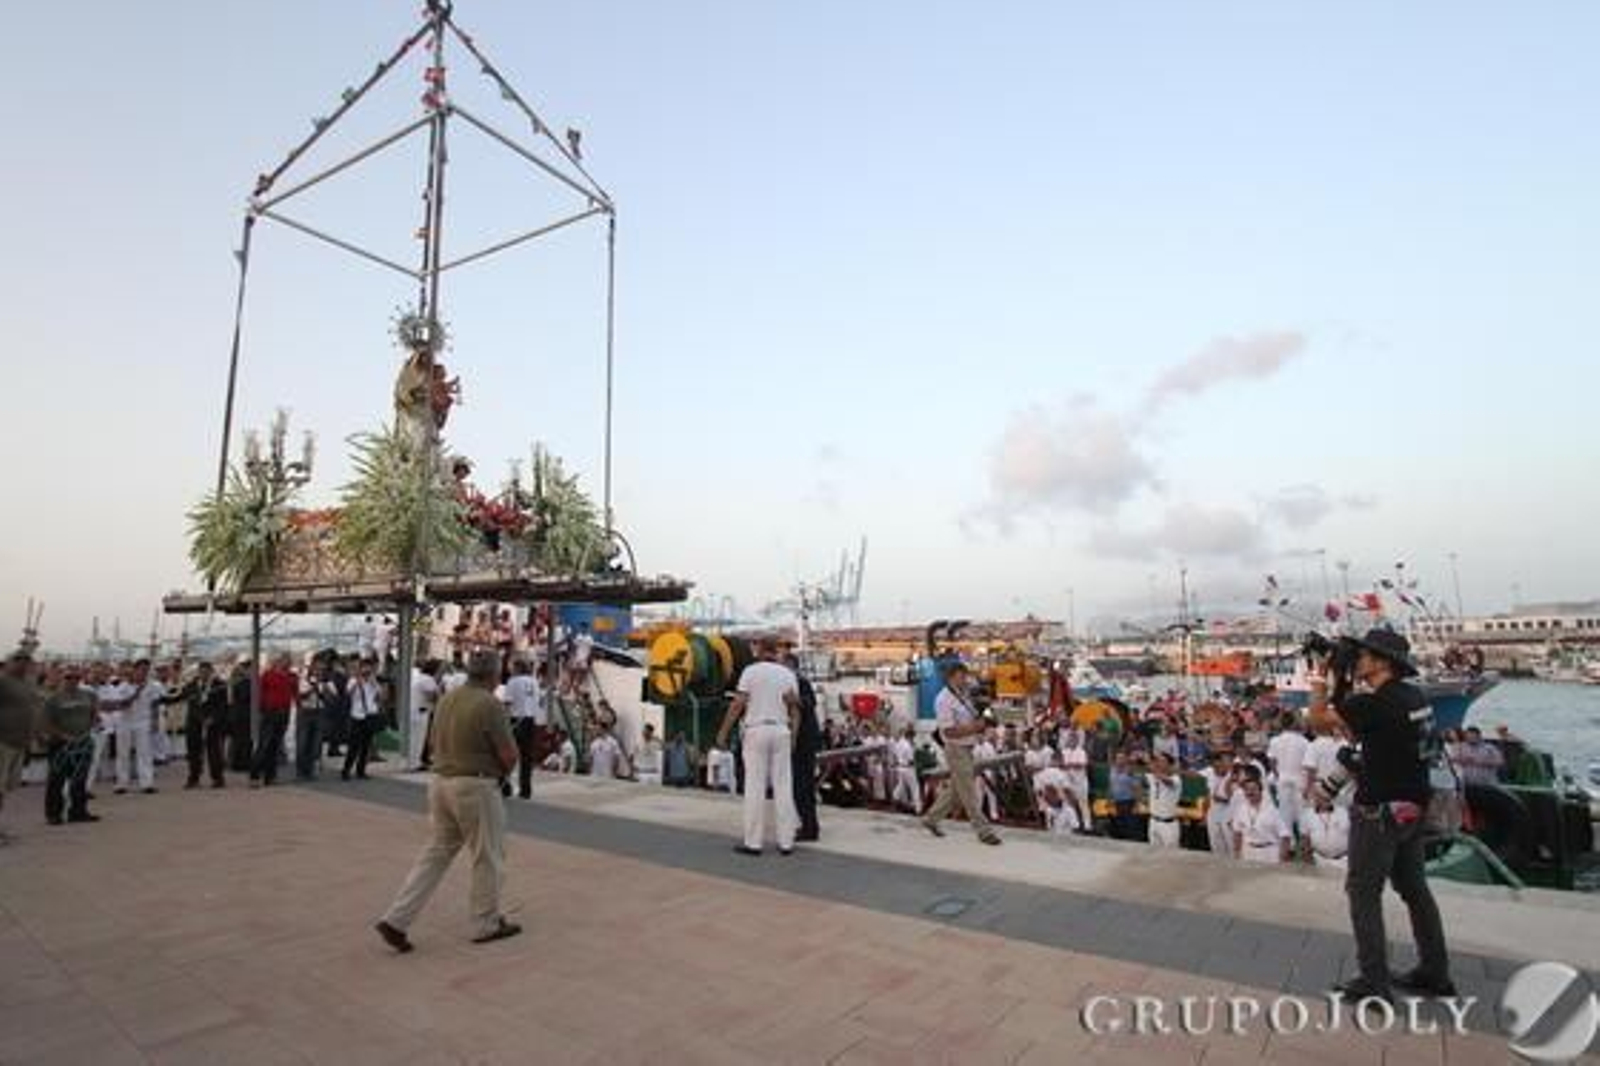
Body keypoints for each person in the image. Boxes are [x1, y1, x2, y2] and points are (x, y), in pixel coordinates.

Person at [1309, 627, 1454, 1002]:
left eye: (1364, 655)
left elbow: (1318, 720)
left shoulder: (1373, 704)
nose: (1358, 660)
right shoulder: (1414, 697)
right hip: (1414, 809)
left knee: (1363, 894)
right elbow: (1361, 727)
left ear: (1381, 662)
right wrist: (1343, 680)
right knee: (1415, 889)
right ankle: (1435, 971)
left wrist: (1320, 677)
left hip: (1378, 813)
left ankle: (1373, 980)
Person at [374, 651, 521, 952]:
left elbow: (430, 744)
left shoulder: (448, 699)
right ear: (495, 675)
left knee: (436, 854)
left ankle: (397, 918)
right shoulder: (489, 704)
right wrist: (502, 776)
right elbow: (509, 755)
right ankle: (486, 922)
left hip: (440, 782)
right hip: (476, 785)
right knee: (487, 856)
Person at [715, 639, 801, 856]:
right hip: (781, 730)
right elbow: (795, 709)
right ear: (776, 652)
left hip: (757, 730)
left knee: (755, 787)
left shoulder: (750, 672)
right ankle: (786, 842)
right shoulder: (787, 675)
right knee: (783, 787)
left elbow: (738, 704)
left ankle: (753, 842)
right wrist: (794, 738)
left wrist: (723, 731)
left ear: (760, 651)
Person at [920, 661, 1001, 846]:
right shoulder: (943, 700)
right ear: (950, 677)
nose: (965, 679)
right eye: (961, 675)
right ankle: (983, 831)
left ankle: (931, 819)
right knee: (969, 792)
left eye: (965, 675)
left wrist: (985, 718)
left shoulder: (963, 694)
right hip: (956, 749)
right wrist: (976, 727)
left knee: (957, 790)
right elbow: (948, 731)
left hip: (967, 747)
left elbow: (976, 713)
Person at [40, 665, 98, 825]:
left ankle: (78, 812)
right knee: (56, 780)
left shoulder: (88, 695)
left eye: (76, 678)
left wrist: (89, 729)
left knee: (80, 779)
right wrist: (63, 736)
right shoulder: (53, 698)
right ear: (62, 678)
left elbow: (94, 713)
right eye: (69, 677)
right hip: (61, 745)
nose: (73, 681)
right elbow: (46, 723)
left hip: (83, 742)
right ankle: (53, 814)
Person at [0, 654, 40, 841]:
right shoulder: (3, 682)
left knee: (5, 789)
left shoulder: (26, 683)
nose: (23, 664)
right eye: (18, 660)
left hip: (19, 743)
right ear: (9, 663)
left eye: (26, 661)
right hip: (3, 743)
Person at [785, 652, 822, 842]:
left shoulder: (801, 683)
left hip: (804, 741)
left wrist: (795, 700)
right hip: (801, 740)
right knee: (799, 786)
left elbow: (809, 703)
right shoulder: (794, 683)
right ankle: (807, 824)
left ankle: (809, 827)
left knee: (802, 786)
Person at [177, 661, 229, 788]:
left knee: (214, 751)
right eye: (201, 671)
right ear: (198, 672)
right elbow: (182, 698)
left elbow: (223, 706)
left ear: (211, 671)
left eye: (207, 671)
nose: (204, 674)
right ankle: (193, 778)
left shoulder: (220, 685)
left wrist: (214, 718)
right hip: (194, 722)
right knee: (193, 751)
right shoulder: (191, 685)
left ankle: (217, 778)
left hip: (213, 723)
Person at [250, 653, 296, 788]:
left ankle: (270, 776)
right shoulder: (268, 675)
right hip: (270, 712)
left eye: (289, 662)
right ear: (278, 661)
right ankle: (255, 775)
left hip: (284, 712)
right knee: (264, 745)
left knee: (275, 746)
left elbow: (294, 693)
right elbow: (260, 693)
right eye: (285, 661)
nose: (287, 664)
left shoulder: (290, 677)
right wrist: (262, 709)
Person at [1230, 766, 1290, 864]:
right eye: (1247, 789)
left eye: (1254, 789)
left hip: (1269, 853)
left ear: (1260, 791)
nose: (1250, 792)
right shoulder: (1241, 809)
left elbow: (1285, 836)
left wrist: (1282, 858)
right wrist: (1237, 852)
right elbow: (1237, 832)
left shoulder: (1272, 810)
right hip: (1248, 852)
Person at [501, 660, 541, 798]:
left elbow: (507, 703)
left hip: (516, 719)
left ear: (517, 668)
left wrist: (503, 722)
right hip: (530, 720)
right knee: (526, 758)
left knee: (508, 753)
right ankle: (526, 789)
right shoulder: (534, 682)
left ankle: (505, 786)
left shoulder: (513, 681)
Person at [343, 659, 383, 781]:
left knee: (366, 746)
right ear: (360, 669)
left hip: (370, 716)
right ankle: (346, 770)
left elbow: (380, 696)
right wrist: (357, 682)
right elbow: (348, 694)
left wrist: (373, 682)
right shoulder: (353, 681)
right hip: (357, 716)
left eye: (369, 668)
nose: (367, 670)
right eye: (364, 668)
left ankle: (361, 771)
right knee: (354, 746)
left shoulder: (373, 681)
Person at [1201, 750, 1238, 858]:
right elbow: (1208, 795)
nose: (1218, 769)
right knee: (1215, 847)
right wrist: (1204, 814)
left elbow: (1236, 800)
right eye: (1215, 767)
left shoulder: (1233, 776)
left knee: (1231, 847)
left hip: (1228, 816)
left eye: (1221, 765)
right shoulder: (1210, 774)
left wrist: (1223, 799)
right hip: (1212, 815)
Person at [1300, 793, 1351, 870]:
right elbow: (1305, 839)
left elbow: (1353, 836)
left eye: (1326, 798)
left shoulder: (1344, 813)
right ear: (1315, 798)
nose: (1324, 800)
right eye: (1320, 797)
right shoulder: (1307, 815)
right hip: (1318, 860)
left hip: (1343, 861)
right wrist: (1308, 860)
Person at [1145, 752, 1182, 848]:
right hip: (1153, 821)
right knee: (1153, 855)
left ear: (1170, 765)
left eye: (1162, 761)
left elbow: (1167, 781)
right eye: (1158, 761)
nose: (1159, 763)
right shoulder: (1152, 776)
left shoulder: (1176, 779)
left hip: (1168, 824)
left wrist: (1151, 765)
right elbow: (1133, 772)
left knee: (1170, 857)